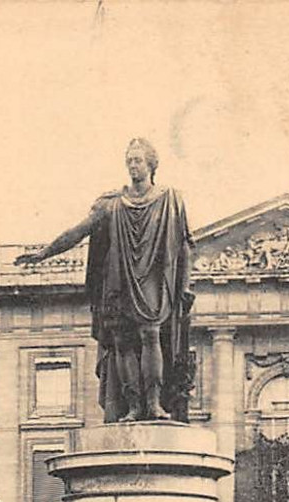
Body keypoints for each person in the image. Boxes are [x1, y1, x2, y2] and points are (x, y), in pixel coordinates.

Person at [15, 138, 194, 424]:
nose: (133, 166)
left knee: (150, 334)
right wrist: (44, 253)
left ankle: (153, 404)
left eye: (138, 160)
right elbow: (78, 231)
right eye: (129, 161)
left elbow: (185, 245)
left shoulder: (170, 199)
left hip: (151, 278)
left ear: (151, 164)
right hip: (117, 280)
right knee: (122, 342)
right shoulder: (111, 204)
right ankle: (134, 405)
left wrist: (184, 286)